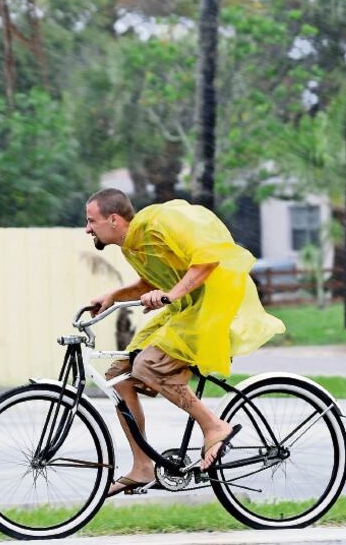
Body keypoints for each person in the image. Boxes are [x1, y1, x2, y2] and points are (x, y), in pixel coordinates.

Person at [84, 188, 285, 497]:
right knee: (119, 377)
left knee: (149, 365)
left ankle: (214, 426)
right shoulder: (131, 246)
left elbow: (207, 260)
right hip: (185, 310)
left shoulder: (159, 223)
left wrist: (171, 295)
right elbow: (151, 282)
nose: (87, 229)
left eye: (91, 221)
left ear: (113, 219)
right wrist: (114, 296)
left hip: (212, 306)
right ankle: (142, 467)